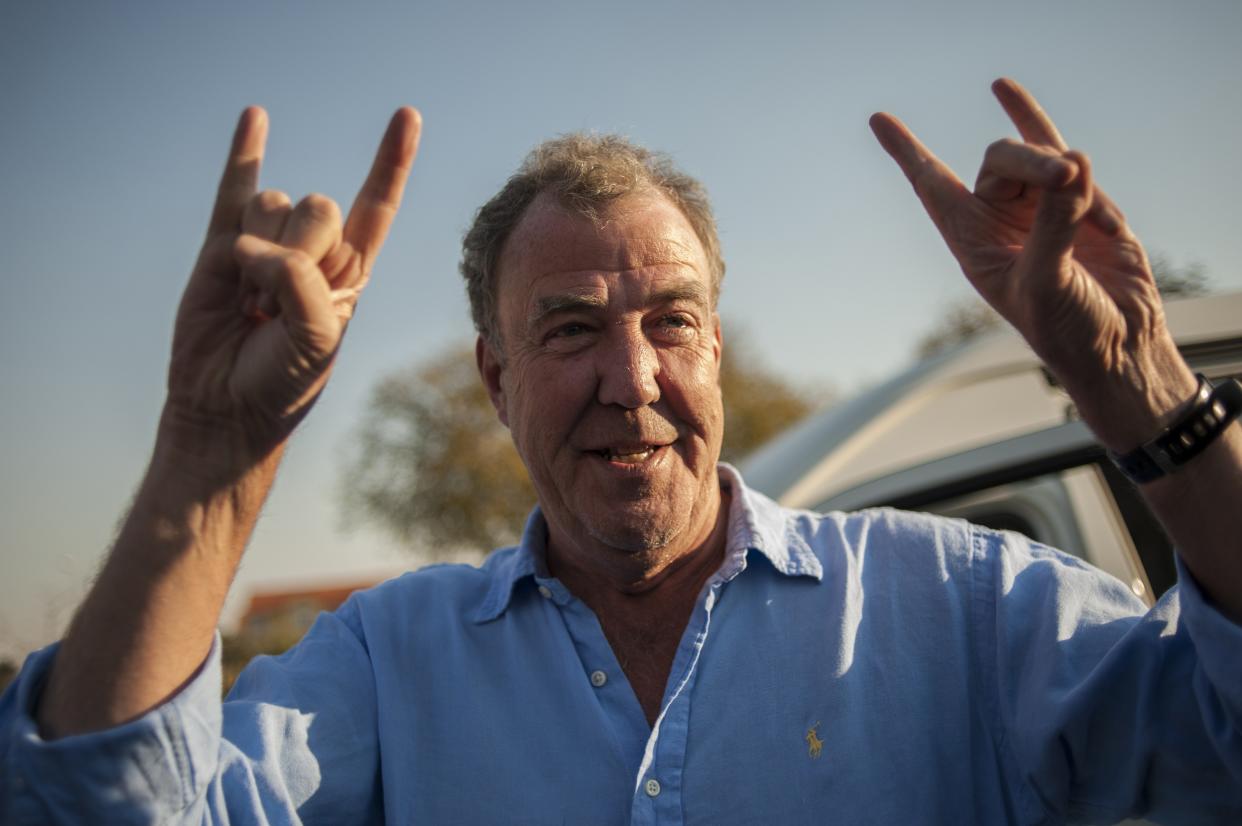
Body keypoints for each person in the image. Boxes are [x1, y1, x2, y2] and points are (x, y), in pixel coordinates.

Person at [2, 79, 1240, 824]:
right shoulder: (388, 664)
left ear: (715, 356)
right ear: (496, 379)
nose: (633, 378)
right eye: (573, 329)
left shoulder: (961, 606)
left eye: (672, 324)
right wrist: (208, 457)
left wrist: (1147, 394)